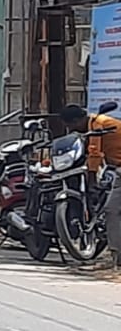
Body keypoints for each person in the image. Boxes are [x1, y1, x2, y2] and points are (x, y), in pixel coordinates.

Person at [60, 103, 121, 253]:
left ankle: (117, 254)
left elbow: (95, 153)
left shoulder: (98, 124)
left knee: (111, 209)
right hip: (115, 167)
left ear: (76, 121)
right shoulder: (95, 123)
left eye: (70, 126)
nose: (71, 130)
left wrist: (91, 180)